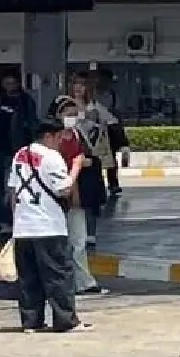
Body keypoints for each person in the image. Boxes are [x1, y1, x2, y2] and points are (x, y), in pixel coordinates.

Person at [9, 117, 88, 333]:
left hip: (23, 227)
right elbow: (63, 189)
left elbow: (13, 192)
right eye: (58, 137)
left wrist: (16, 222)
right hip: (48, 226)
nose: (61, 142)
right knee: (58, 276)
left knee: (28, 278)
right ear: (48, 136)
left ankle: (31, 321)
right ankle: (65, 321)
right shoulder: (51, 157)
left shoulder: (19, 155)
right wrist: (76, 168)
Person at [49, 97, 103, 295]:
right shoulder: (53, 140)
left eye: (74, 114)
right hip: (59, 196)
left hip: (76, 195)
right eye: (67, 114)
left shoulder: (77, 135)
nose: (72, 118)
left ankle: (84, 282)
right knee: (59, 242)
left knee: (78, 241)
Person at [64, 76, 117, 249]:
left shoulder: (95, 108)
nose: (78, 88)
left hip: (90, 159)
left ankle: (90, 233)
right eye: (76, 84)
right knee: (68, 197)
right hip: (69, 157)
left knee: (89, 198)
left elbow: (111, 124)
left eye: (82, 85)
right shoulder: (63, 104)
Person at [0, 72, 37, 231]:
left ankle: (8, 220)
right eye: (6, 83)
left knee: (8, 186)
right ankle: (1, 217)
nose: (9, 86)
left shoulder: (25, 102)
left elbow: (32, 124)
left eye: (12, 83)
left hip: (15, 150)